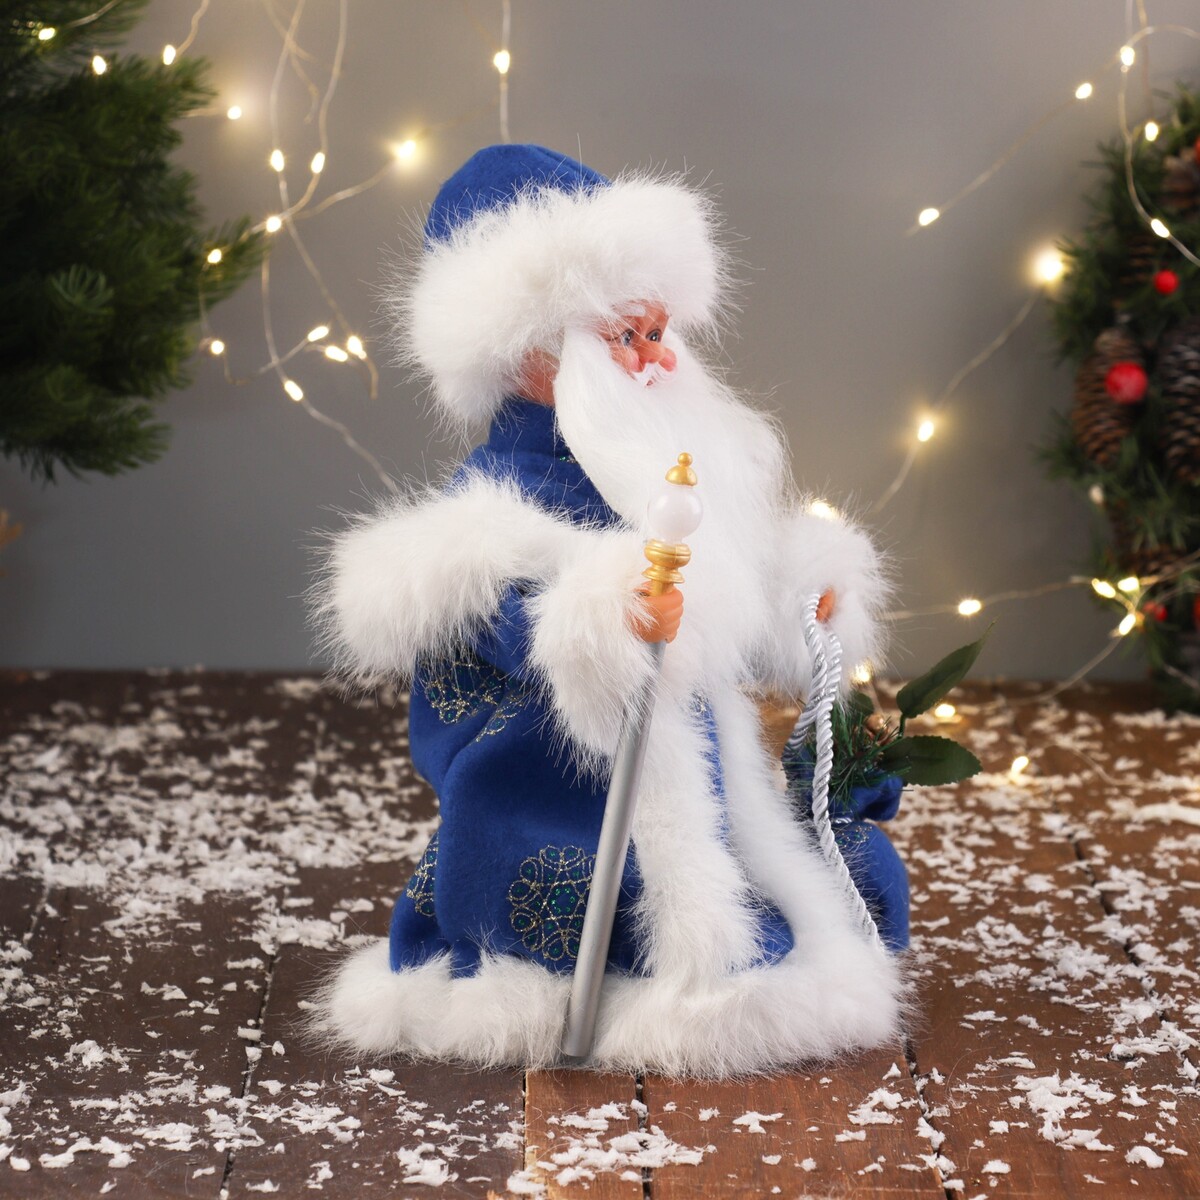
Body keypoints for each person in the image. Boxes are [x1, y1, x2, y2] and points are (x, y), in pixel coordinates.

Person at [313, 144, 905, 1077]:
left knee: (836, 866)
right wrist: (605, 622)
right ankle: (629, 970)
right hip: (560, 785)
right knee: (593, 883)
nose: (660, 358)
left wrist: (796, 596)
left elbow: (725, 589)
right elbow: (511, 615)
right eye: (630, 337)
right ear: (536, 353)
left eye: (661, 332)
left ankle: (734, 937)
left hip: (697, 770)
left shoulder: (647, 459)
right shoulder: (495, 502)